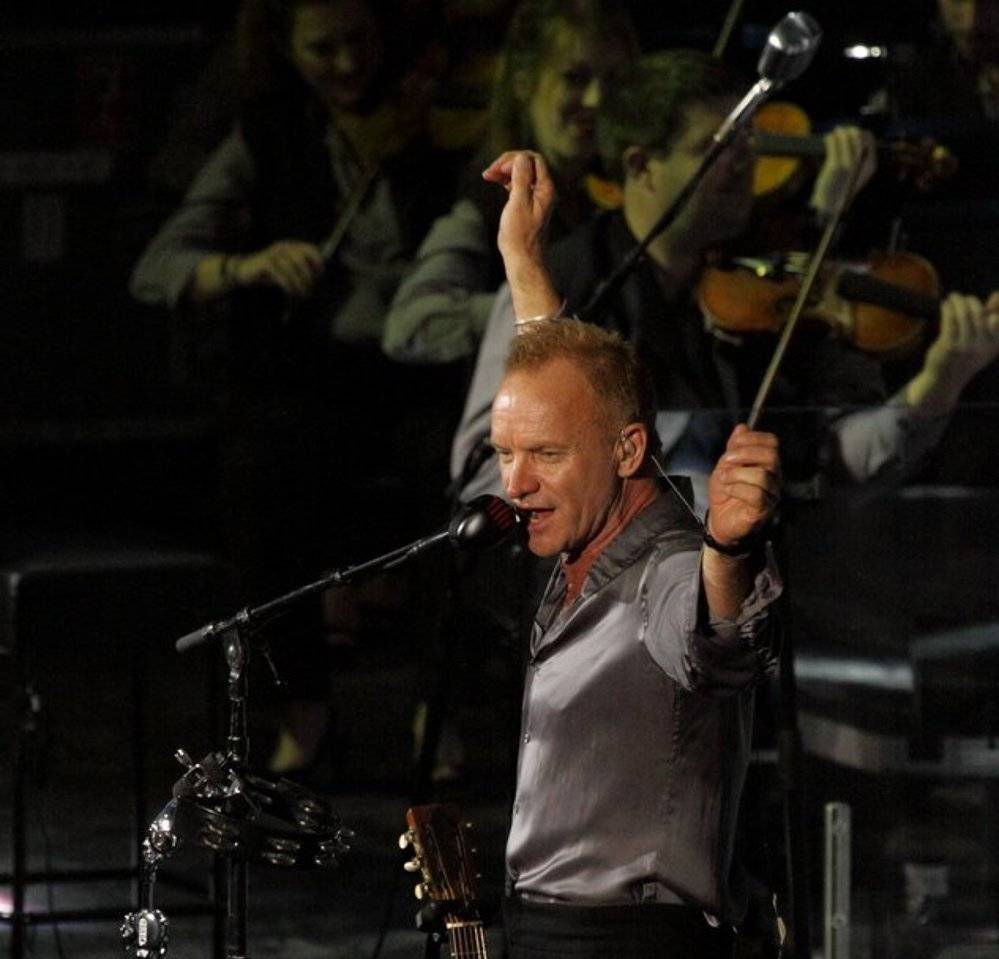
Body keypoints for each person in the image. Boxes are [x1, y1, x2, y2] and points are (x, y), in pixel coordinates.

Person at [406, 148, 783, 959]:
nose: (510, 478)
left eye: (538, 457)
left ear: (626, 455)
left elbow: (715, 640)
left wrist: (731, 553)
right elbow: (566, 386)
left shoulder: (664, 565)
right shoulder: (576, 531)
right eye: (503, 453)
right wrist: (524, 262)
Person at [453, 50, 999, 517]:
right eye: (715, 147)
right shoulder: (561, 283)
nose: (747, 161)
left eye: (748, 141)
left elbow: (831, 462)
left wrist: (938, 384)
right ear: (641, 166)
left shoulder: (762, 282)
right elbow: (484, 477)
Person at [130, 0, 458, 777]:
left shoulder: (431, 122)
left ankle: (437, 707)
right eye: (323, 49)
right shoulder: (268, 133)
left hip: (418, 367)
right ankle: (303, 705)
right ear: (285, 48)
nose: (346, 66)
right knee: (260, 472)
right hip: (310, 371)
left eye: (360, 42)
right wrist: (247, 266)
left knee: (463, 478)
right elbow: (158, 268)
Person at [381, 0, 637, 368]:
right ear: (524, 81)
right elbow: (411, 324)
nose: (597, 99)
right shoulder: (490, 196)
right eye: (575, 77)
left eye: (613, 81)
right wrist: (534, 310)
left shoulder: (613, 195)